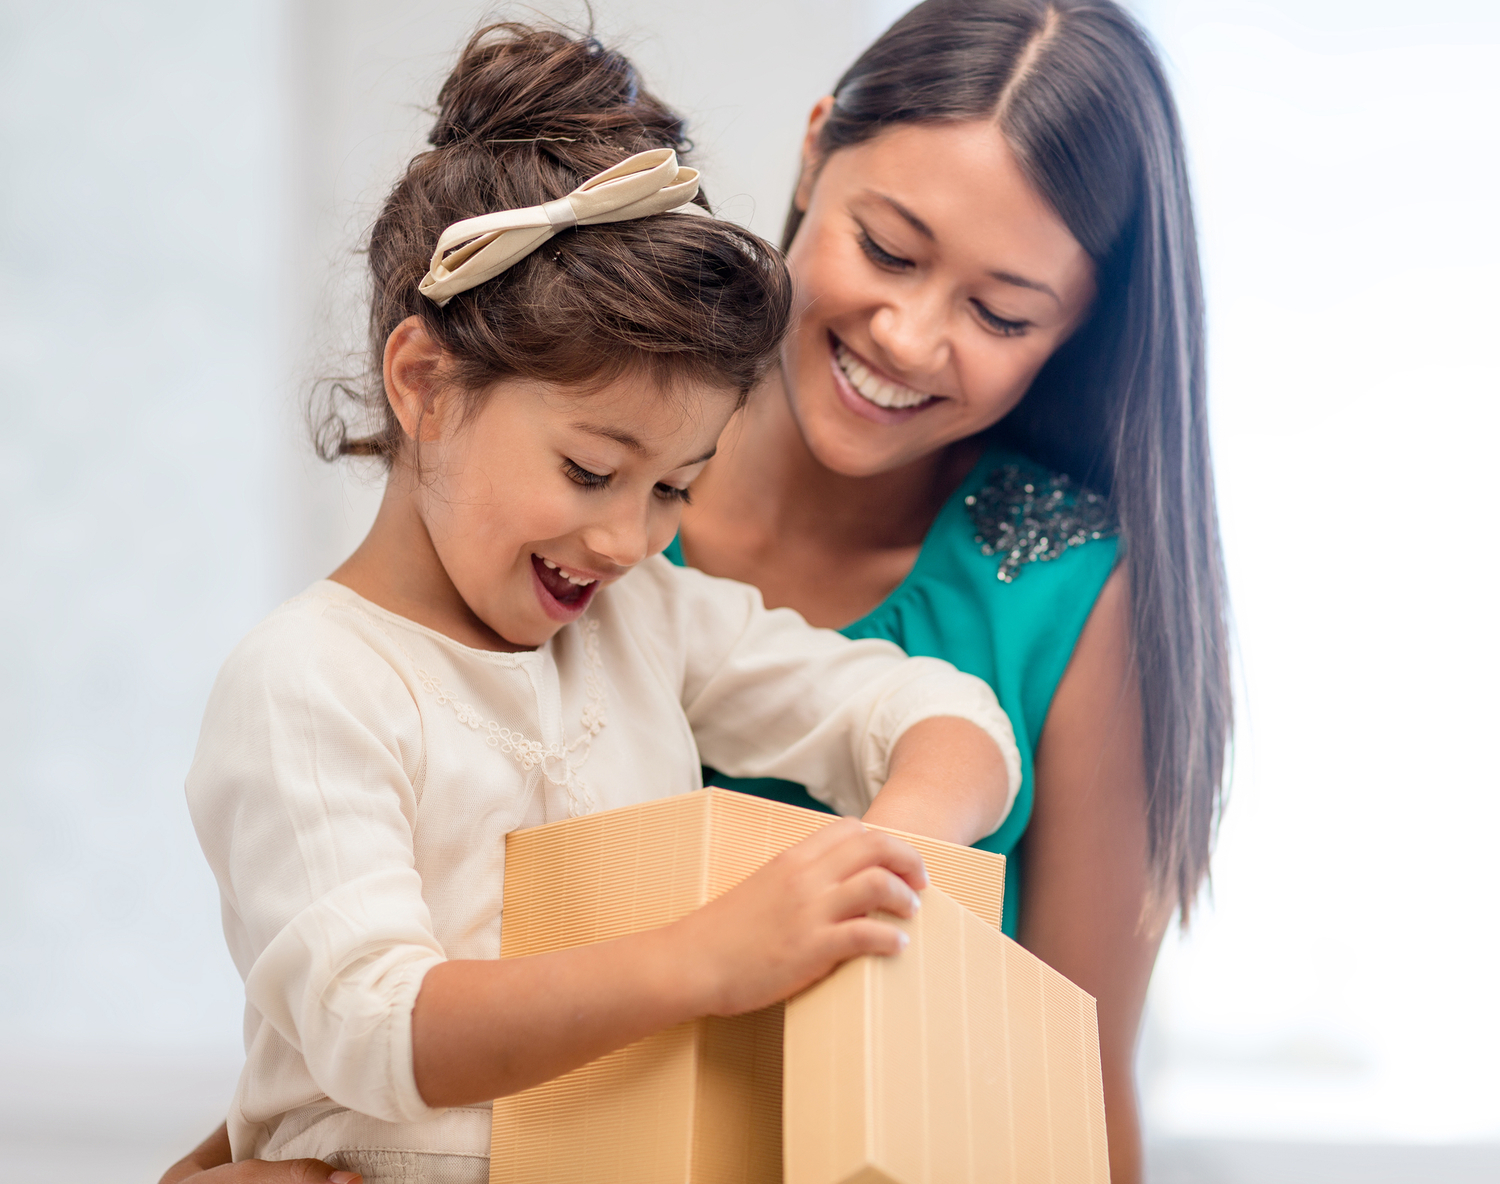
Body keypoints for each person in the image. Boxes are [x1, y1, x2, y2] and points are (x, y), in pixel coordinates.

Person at [166, 2, 1230, 1182]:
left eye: (998, 310)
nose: (912, 334)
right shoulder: (449, 626)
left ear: (1076, 327)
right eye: (888, 248)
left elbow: (1074, 1097)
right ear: (816, 152)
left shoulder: (643, 612)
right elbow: (357, 1031)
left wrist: (876, 858)